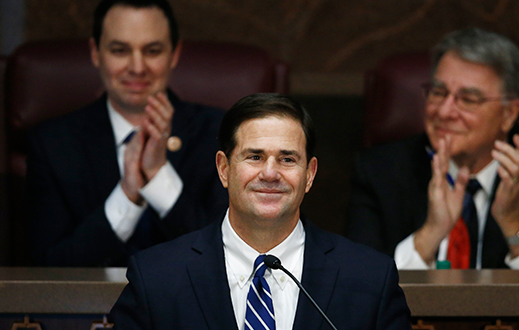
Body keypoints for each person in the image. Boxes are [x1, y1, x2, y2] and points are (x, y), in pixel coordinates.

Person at [110, 93, 412, 330]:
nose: (270, 173)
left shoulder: (370, 279)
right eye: (254, 157)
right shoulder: (156, 278)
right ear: (224, 169)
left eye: (287, 159)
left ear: (310, 175)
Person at [346, 28, 519, 269]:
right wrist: (430, 234)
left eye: (468, 99)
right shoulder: (380, 172)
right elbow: (356, 288)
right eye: (438, 92)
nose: (444, 111)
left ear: (509, 113)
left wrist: (514, 221)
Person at [26, 0, 228, 266]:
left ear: (175, 54)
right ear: (96, 52)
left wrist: (157, 178)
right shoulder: (52, 142)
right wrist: (127, 195)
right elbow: (46, 271)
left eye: (152, 50)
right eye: (119, 50)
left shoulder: (221, 132)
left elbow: (229, 257)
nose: (137, 66)